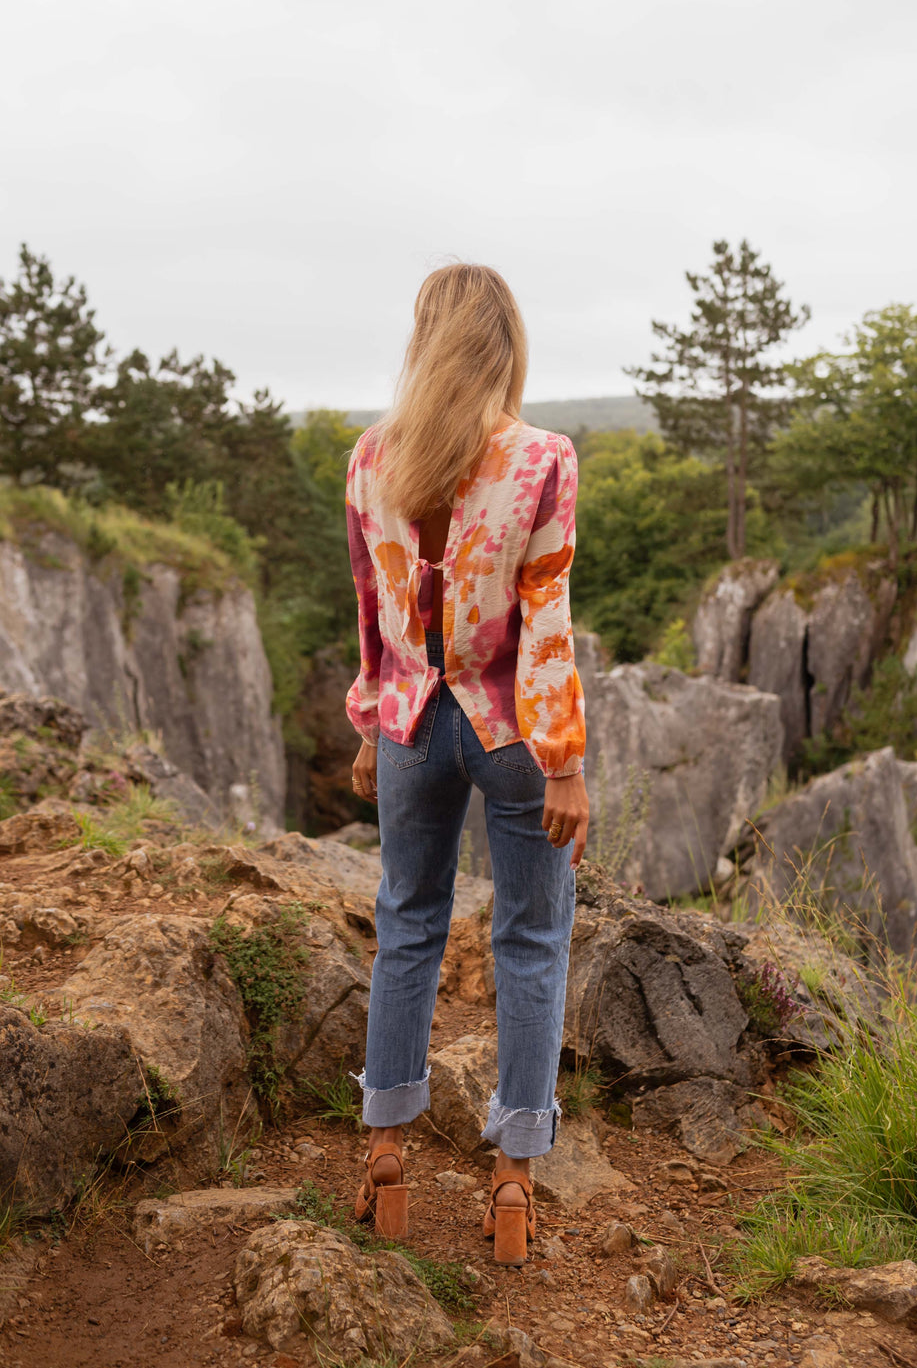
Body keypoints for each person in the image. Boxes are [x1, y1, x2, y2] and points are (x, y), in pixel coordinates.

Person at [344, 262, 588, 1266]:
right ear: (505, 347)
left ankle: (387, 1155)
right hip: (509, 730)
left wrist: (373, 722)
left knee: (408, 924)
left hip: (412, 724)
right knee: (530, 938)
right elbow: (545, 623)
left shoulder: (371, 457)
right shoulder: (541, 458)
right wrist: (564, 762)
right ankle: (514, 1181)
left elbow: (372, 612)